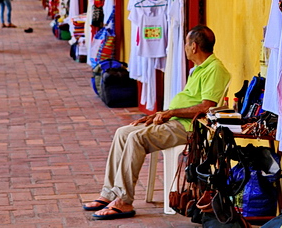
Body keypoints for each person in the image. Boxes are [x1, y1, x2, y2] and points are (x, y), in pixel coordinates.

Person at [83, 25, 230, 220]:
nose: (185, 47)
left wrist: (170, 113)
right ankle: (109, 193)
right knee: (123, 132)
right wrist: (162, 114)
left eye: (186, 44)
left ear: (194, 46)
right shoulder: (198, 69)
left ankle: (124, 201)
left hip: (189, 127)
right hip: (176, 120)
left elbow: (205, 107)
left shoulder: (214, 69)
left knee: (136, 138)